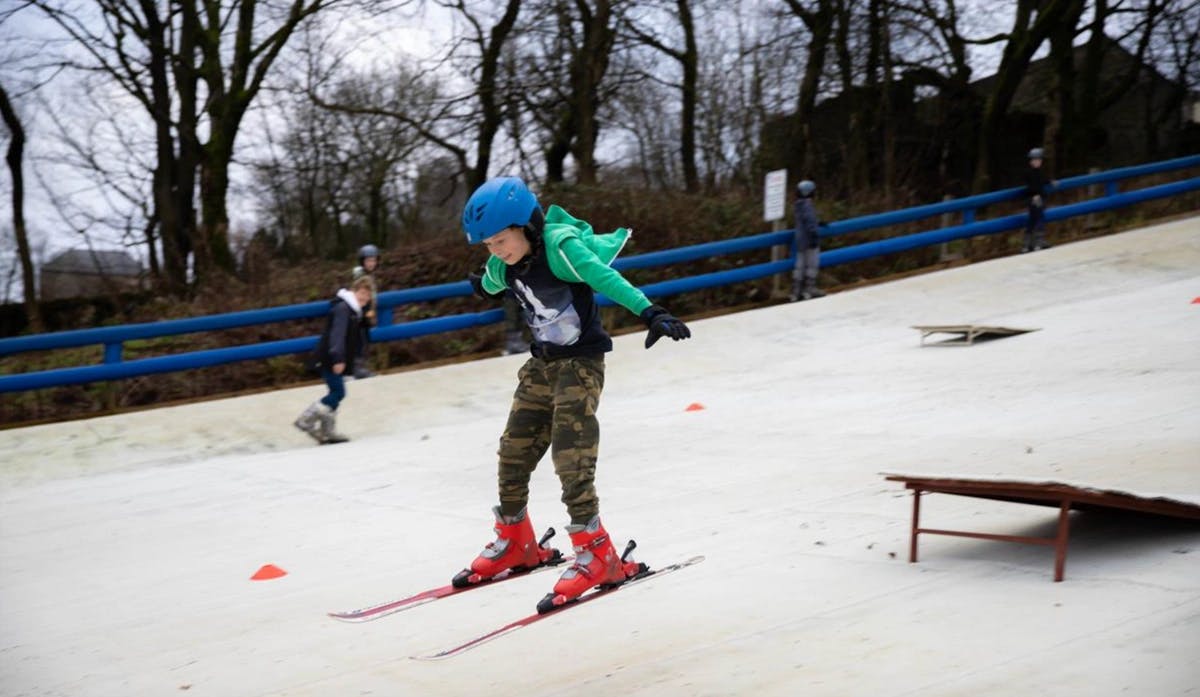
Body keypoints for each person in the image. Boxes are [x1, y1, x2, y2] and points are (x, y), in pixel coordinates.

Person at [454, 176, 692, 614]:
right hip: (542, 365)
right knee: (513, 451)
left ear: (527, 227)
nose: (496, 250)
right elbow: (490, 282)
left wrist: (651, 312)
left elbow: (606, 277)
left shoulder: (562, 250)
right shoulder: (501, 264)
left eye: (501, 240)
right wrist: (483, 283)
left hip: (580, 366)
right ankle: (514, 541)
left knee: (571, 456)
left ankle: (597, 552)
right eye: (487, 244)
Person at [294, 275, 375, 445]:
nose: (364, 298)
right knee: (338, 392)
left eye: (368, 295)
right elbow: (337, 335)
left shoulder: (355, 311)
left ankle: (327, 431)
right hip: (330, 357)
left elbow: (359, 334)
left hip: (336, 357)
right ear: (354, 291)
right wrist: (338, 358)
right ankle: (306, 420)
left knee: (336, 392)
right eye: (362, 293)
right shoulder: (343, 309)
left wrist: (367, 318)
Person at [791, 179, 825, 301]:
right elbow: (810, 222)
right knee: (812, 264)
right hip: (810, 240)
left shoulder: (798, 205)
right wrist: (815, 235)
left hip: (800, 240)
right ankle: (809, 289)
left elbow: (803, 220)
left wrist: (818, 222)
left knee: (800, 265)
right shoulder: (808, 204)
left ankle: (796, 292)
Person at [350, 244, 379, 378]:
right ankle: (357, 368)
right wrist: (366, 311)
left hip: (366, 311)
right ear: (362, 261)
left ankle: (360, 366)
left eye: (373, 260)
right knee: (360, 339)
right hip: (359, 312)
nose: (371, 263)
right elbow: (362, 296)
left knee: (365, 338)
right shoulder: (361, 277)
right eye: (368, 260)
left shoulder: (369, 275)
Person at [1023, 148, 1054, 253]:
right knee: (1038, 217)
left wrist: (1050, 182)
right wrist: (1034, 195)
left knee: (1034, 218)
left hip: (1039, 197)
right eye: (1035, 160)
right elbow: (1031, 186)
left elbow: (1043, 180)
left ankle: (1029, 244)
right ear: (1030, 161)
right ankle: (1036, 242)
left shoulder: (1040, 172)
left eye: (1039, 160)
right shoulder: (1029, 172)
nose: (1037, 162)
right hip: (1034, 198)